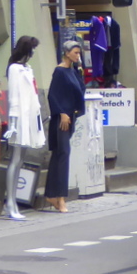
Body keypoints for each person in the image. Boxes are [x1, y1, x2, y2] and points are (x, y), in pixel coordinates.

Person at [4, 36, 45, 220]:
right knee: (15, 159)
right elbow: (13, 96)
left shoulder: (28, 69)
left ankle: (12, 202)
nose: (34, 52)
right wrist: (12, 123)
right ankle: (10, 203)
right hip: (19, 118)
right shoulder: (14, 69)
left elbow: (33, 94)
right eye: (33, 48)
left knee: (20, 160)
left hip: (29, 117)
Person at [45, 40, 86, 213]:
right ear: (67, 53)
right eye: (75, 53)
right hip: (61, 119)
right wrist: (61, 112)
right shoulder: (60, 71)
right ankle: (60, 198)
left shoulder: (74, 71)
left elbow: (79, 91)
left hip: (70, 118)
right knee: (63, 154)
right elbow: (53, 95)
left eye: (79, 53)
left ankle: (52, 194)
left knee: (59, 155)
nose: (78, 56)